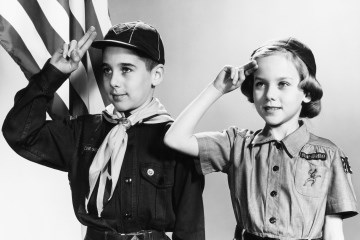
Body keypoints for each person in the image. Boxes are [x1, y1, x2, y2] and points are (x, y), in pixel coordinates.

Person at [2, 21, 205, 240]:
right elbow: (20, 133)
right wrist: (53, 74)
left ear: (156, 75)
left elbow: (190, 231)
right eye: (107, 70)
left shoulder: (176, 142)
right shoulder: (84, 131)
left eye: (126, 69)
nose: (113, 81)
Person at [164, 37, 358, 240]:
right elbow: (175, 139)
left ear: (307, 92)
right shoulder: (236, 144)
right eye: (260, 84)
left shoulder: (328, 154)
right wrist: (217, 89)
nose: (269, 94)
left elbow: (334, 232)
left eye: (283, 84)